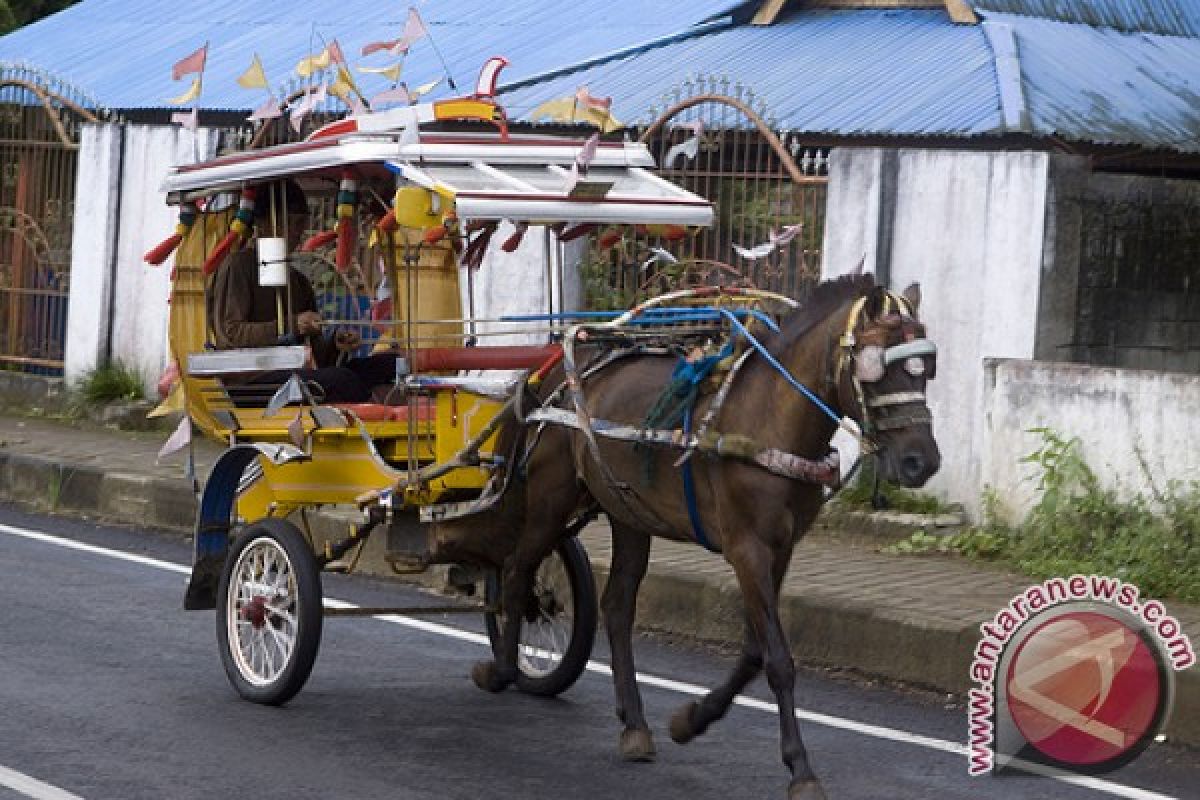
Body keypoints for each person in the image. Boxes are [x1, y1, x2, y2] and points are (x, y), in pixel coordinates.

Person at [206, 181, 395, 403]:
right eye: (290, 223)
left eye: (301, 223)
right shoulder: (238, 266)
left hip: (295, 371)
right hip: (253, 380)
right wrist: (291, 323)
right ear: (263, 222)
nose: (297, 232)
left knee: (388, 364)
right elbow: (231, 335)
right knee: (343, 380)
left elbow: (316, 352)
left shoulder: (298, 281)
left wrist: (335, 344)